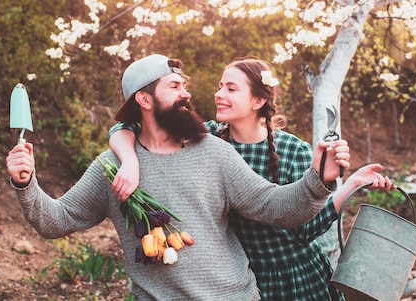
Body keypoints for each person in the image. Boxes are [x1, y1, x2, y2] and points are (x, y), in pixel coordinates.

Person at [5, 54, 351, 300]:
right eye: (174, 86)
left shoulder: (213, 150)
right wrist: (26, 183)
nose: (187, 93)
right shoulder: (110, 168)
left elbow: (274, 206)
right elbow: (57, 221)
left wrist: (318, 179)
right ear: (145, 98)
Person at [109, 57, 395, 300]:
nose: (219, 94)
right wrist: (130, 160)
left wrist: (351, 183)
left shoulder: (292, 150)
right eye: (220, 86)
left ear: (258, 100)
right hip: (242, 278)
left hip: (296, 276)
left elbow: (304, 231)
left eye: (231, 88)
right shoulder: (205, 139)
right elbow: (133, 123)